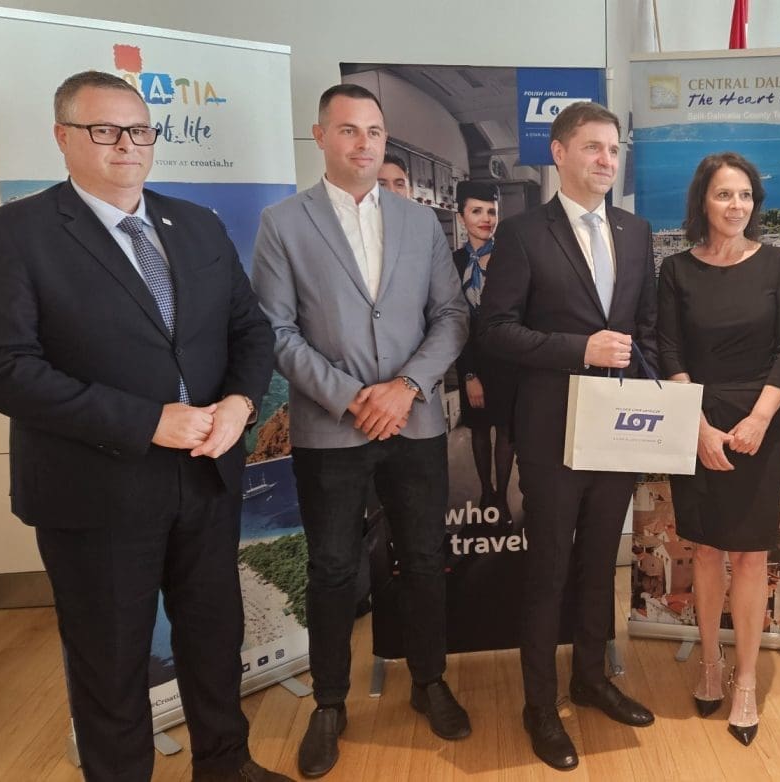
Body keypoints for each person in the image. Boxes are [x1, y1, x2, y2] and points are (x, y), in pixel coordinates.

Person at [0, 71, 284, 782]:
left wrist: (240, 404)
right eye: (104, 130)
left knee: (214, 640)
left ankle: (226, 767)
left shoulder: (196, 224)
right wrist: (147, 422)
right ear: (63, 137)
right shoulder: (11, 235)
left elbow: (251, 332)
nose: (126, 145)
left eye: (139, 130)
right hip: (95, 491)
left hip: (207, 475)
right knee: (110, 665)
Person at [250, 83, 470, 779]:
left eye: (374, 131)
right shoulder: (283, 223)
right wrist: (352, 399)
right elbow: (276, 331)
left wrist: (405, 388)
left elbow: (452, 317)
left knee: (425, 559)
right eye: (348, 130)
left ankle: (429, 680)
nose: (364, 143)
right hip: (330, 429)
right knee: (333, 568)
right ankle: (330, 703)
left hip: (414, 420)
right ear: (320, 136)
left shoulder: (419, 223)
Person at [478, 101, 658, 771]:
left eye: (614, 149)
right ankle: (539, 705)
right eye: (592, 147)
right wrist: (579, 348)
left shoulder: (636, 232)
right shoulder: (524, 234)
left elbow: (647, 328)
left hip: (620, 427)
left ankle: (590, 679)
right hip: (551, 428)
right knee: (549, 568)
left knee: (598, 564)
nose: (606, 159)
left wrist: (657, 398)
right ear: (558, 154)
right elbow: (494, 331)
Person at [657, 152, 780, 746]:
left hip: (760, 424)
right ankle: (710, 662)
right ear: (703, 202)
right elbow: (668, 350)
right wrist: (697, 428)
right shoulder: (676, 271)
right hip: (696, 419)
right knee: (706, 549)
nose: (736, 205)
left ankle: (745, 679)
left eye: (745, 195)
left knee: (749, 557)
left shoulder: (777, 264)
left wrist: (758, 421)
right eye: (724, 194)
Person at [452, 180, 516, 519]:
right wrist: (469, 375)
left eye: (491, 211)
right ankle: (486, 492)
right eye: (476, 211)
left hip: (508, 361)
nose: (486, 219)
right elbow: (454, 324)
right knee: (479, 429)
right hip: (472, 362)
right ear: (461, 216)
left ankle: (502, 496)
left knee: (505, 430)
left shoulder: (510, 258)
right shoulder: (452, 262)